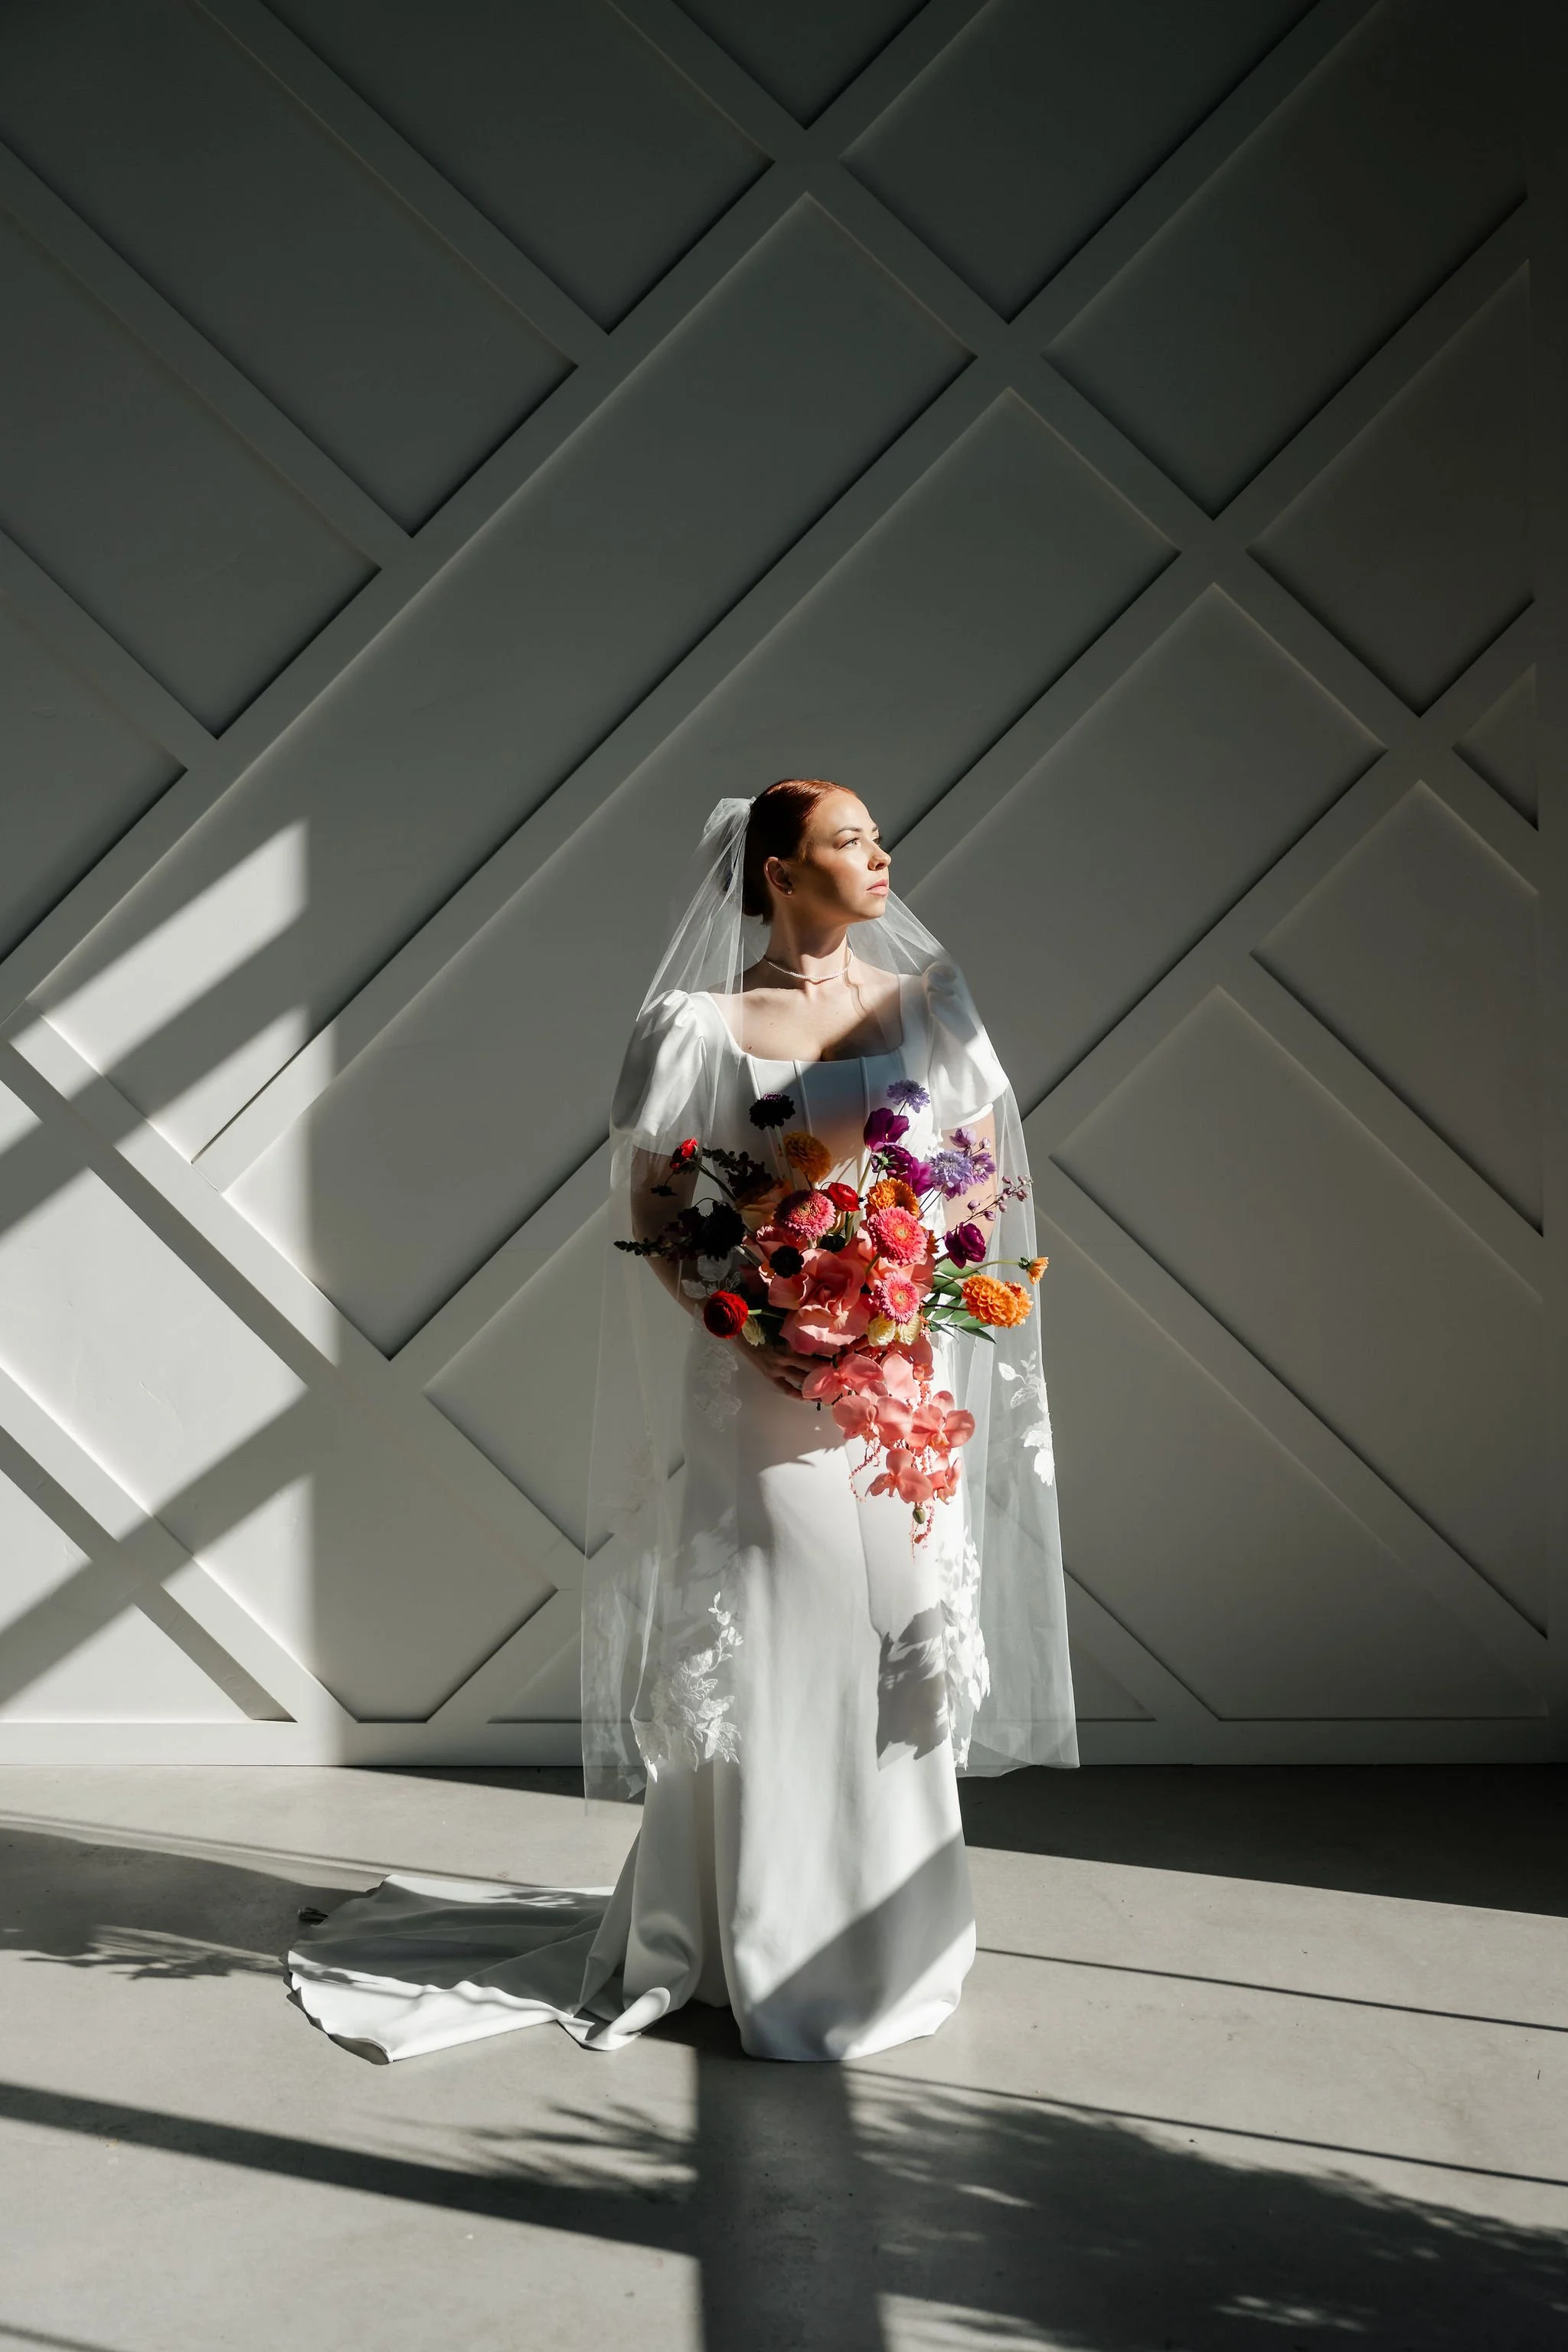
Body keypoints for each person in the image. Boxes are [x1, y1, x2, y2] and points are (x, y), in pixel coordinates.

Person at [287, 782, 1076, 2063]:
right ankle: (743, 1933)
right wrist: (755, 1323)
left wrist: (907, 1299)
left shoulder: (929, 1006)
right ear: (777, 872)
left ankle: (892, 1936)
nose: (883, 858)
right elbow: (656, 1210)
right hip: (760, 1386)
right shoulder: (696, 1026)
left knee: (899, 1627)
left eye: (879, 840)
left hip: (896, 1387)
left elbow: (984, 1183)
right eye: (850, 842)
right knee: (773, 1632)